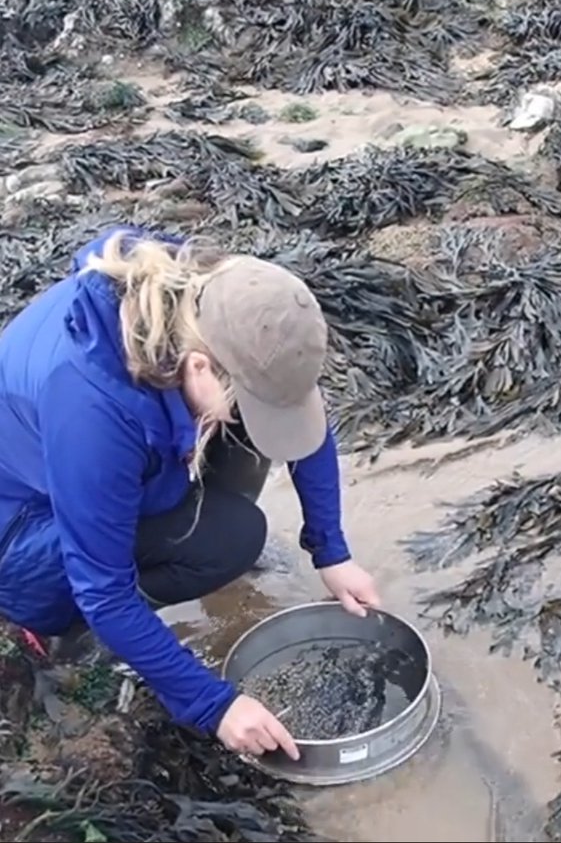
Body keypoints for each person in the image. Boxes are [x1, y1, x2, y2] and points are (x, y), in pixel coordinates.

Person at [0, 225, 382, 762]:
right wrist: (214, 705)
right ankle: (62, 625)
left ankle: (180, 530)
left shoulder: (223, 297)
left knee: (243, 442)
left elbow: (298, 408)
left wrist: (332, 549)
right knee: (231, 541)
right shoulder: (93, 412)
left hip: (113, 454)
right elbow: (104, 590)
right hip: (22, 531)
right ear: (199, 367)